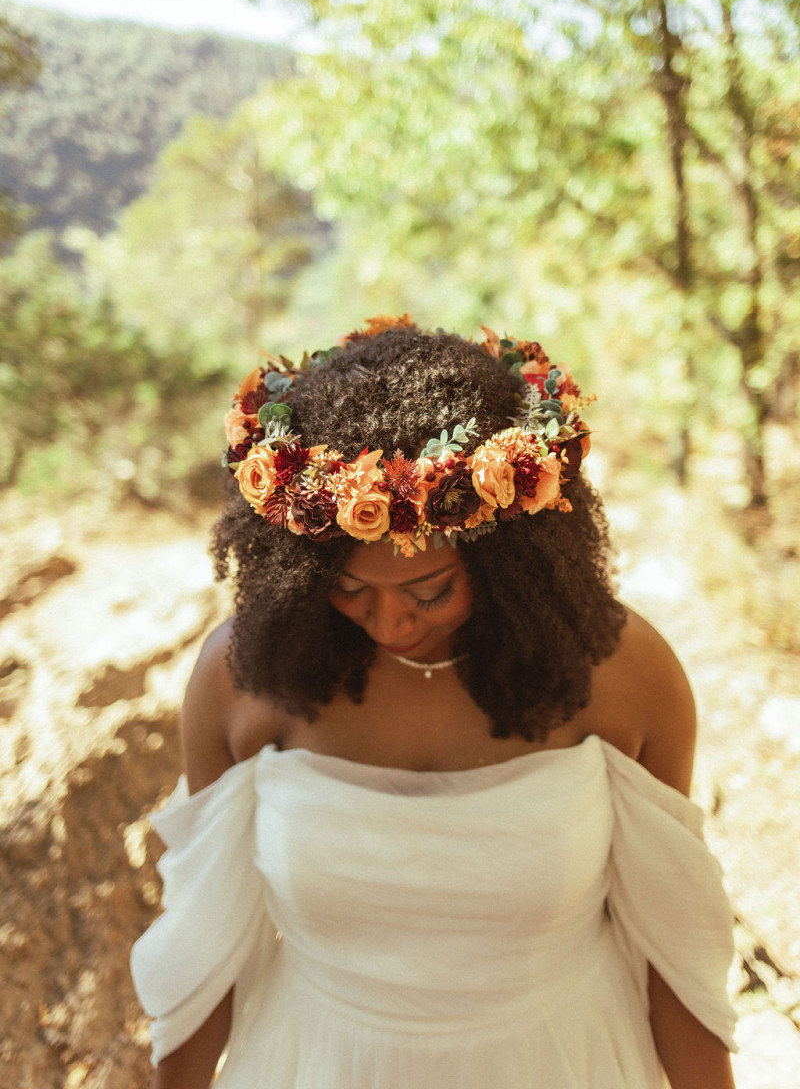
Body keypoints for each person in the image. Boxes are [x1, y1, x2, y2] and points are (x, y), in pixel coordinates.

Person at [131, 317, 738, 1089]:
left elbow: (673, 951)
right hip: (318, 1064)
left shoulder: (620, 673)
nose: (390, 623)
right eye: (347, 588)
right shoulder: (246, 676)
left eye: (430, 589)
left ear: (509, 560)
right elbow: (203, 943)